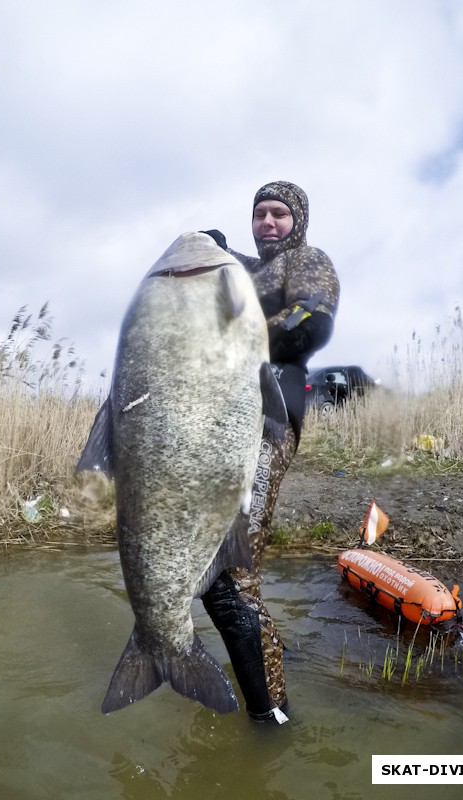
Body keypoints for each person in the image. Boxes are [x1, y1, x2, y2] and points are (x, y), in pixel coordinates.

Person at [201, 180, 340, 723]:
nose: (267, 223)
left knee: (229, 576)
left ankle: (273, 718)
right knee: (213, 571)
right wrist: (207, 244)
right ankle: (270, 675)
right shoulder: (245, 270)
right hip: (222, 424)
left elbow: (311, 322)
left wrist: (242, 336)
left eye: (279, 214)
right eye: (259, 214)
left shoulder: (307, 260)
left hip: (269, 419)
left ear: (297, 221)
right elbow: (224, 270)